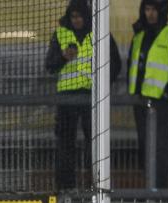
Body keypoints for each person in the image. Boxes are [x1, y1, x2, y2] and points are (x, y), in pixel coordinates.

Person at [45, 0, 121, 190]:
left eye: (79, 16)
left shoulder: (100, 33)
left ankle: (94, 187)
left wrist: (103, 86)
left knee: (93, 144)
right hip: (67, 98)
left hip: (91, 97)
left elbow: (115, 63)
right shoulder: (61, 34)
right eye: (73, 16)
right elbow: (50, 65)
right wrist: (63, 57)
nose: (76, 20)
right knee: (65, 144)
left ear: (86, 16)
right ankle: (66, 189)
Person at [127, 0, 168, 189]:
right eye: (147, 9)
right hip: (140, 102)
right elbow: (133, 65)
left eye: (154, 9)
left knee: (160, 150)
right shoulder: (139, 36)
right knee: (145, 148)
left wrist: (167, 94)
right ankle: (150, 193)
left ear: (162, 11)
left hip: (159, 103)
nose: (150, 14)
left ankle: (160, 195)